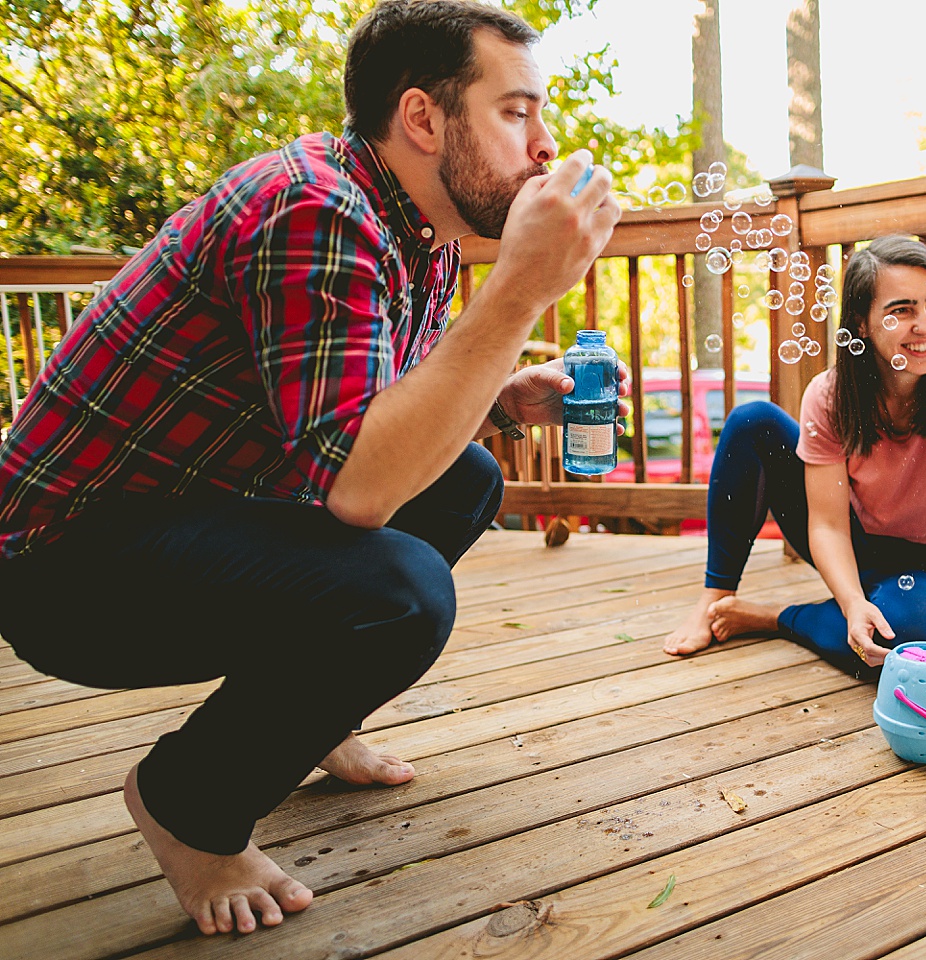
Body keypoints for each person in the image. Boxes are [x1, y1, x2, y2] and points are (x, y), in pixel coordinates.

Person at [0, 0, 622, 936]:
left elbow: (361, 410)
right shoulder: (315, 208)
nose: (544, 147)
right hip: (63, 568)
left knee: (466, 480)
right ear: (423, 118)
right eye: (515, 112)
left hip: (185, 512)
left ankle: (314, 711)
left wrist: (493, 397)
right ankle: (188, 804)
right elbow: (362, 488)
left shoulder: (414, 226)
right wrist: (522, 293)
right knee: (401, 593)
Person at [663, 236, 926, 680]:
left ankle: (774, 618)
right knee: (753, 421)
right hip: (849, 536)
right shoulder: (829, 395)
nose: (925, 325)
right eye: (902, 310)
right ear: (862, 324)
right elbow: (827, 524)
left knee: (905, 637)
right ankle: (714, 600)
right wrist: (851, 602)